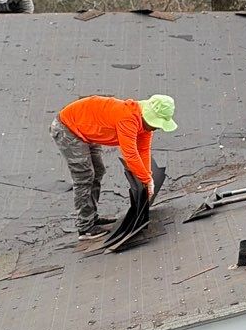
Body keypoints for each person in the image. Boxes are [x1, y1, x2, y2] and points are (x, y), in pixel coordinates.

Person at [52, 93, 178, 236]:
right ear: (147, 116)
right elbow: (130, 154)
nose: (156, 128)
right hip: (68, 129)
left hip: (85, 128)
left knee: (98, 171)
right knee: (85, 176)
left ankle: (92, 219)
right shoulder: (128, 118)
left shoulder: (145, 125)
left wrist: (148, 179)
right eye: (156, 124)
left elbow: (143, 150)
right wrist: (147, 180)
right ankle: (85, 228)